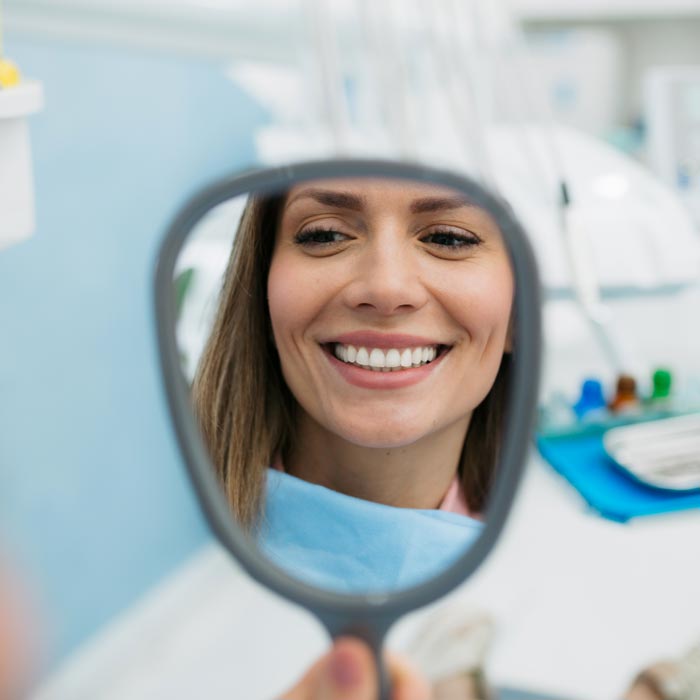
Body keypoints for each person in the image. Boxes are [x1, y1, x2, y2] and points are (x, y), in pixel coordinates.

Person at [192, 176, 514, 590]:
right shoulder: (169, 560)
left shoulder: (555, 581)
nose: (385, 288)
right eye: (325, 234)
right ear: (262, 294)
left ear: (517, 316)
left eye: (449, 239)